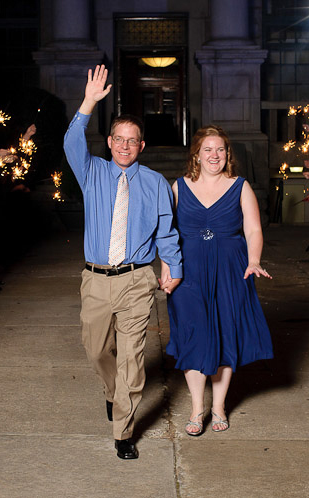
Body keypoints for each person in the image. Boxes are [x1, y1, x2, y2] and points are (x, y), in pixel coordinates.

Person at [63, 65, 183, 460]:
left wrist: (172, 266)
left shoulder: (155, 184)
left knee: (132, 358)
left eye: (133, 141)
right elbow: (70, 143)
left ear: (142, 146)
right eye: (119, 139)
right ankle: (113, 393)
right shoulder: (91, 171)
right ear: (110, 142)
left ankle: (123, 432)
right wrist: (88, 102)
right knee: (97, 349)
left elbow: (167, 232)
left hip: (136, 281)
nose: (125, 147)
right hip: (96, 280)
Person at [165, 125, 273, 436]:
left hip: (230, 268)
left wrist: (253, 260)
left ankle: (219, 406)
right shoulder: (178, 187)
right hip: (189, 270)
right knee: (192, 335)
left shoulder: (240, 186)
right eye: (208, 149)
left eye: (220, 149)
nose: (215, 155)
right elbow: (167, 233)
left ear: (228, 155)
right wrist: (167, 267)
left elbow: (253, 229)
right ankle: (197, 408)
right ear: (196, 155)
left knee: (226, 334)